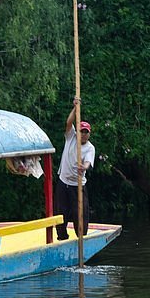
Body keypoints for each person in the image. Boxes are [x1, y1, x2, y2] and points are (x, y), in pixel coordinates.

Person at [55, 98, 96, 241]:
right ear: (77, 132)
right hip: (63, 181)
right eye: (82, 131)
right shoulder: (71, 137)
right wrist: (75, 107)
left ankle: (81, 238)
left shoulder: (90, 147)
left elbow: (88, 162)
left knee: (81, 214)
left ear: (89, 134)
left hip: (78, 185)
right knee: (61, 212)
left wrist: (83, 167)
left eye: (86, 132)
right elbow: (69, 123)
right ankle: (62, 237)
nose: (83, 134)